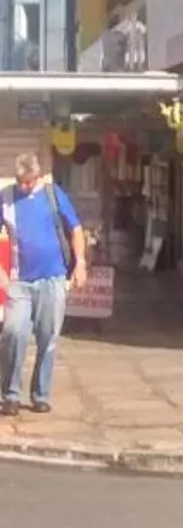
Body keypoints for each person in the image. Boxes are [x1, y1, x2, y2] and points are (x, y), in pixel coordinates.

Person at [0, 153, 88, 416]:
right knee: (14, 334)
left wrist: (80, 262)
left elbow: (75, 228)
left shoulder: (52, 193)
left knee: (48, 337)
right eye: (21, 181)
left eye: (30, 181)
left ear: (38, 177)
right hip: (19, 281)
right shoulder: (5, 198)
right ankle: (10, 395)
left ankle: (40, 394)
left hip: (53, 279)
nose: (25, 186)